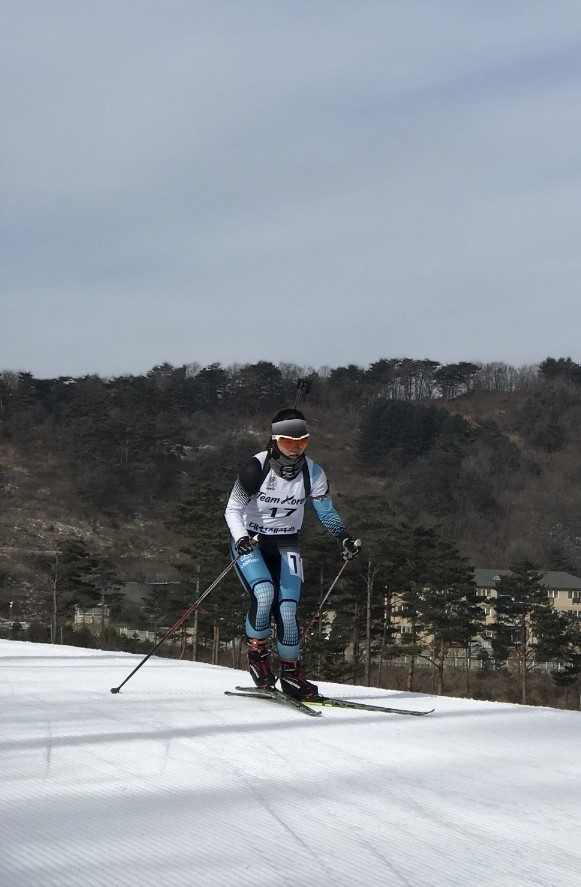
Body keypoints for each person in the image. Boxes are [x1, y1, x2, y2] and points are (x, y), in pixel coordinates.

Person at [224, 407, 360, 699]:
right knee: (263, 594)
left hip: (287, 542)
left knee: (287, 609)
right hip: (253, 541)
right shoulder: (255, 468)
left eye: (303, 442)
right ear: (274, 441)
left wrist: (344, 538)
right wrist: (241, 537)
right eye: (288, 443)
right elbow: (232, 508)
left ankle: (291, 674)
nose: (296, 450)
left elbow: (326, 512)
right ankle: (257, 655)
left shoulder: (314, 473)